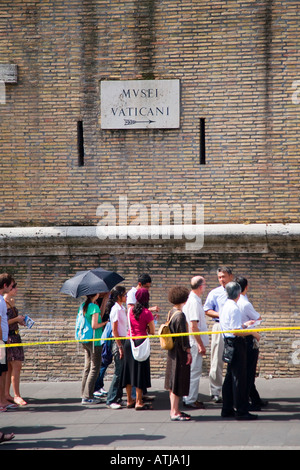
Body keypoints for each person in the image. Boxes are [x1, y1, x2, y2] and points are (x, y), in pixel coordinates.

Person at [220, 281, 260, 420]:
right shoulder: (235, 308)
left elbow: (233, 327)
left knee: (230, 376)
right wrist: (252, 332)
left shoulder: (225, 306)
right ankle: (241, 411)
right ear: (238, 293)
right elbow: (236, 331)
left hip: (228, 342)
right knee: (239, 378)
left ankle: (227, 408)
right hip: (236, 344)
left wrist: (244, 325)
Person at [236, 276, 268, 410]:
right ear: (246, 287)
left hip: (237, 339)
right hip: (248, 338)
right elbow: (258, 318)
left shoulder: (230, 303)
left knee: (242, 372)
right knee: (249, 371)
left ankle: (254, 398)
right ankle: (249, 401)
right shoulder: (245, 303)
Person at [204, 266, 234, 402]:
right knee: (217, 358)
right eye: (219, 277)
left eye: (224, 276)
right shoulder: (215, 293)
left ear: (231, 276)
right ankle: (215, 391)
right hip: (219, 326)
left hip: (234, 327)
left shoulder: (237, 291)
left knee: (236, 359)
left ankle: (234, 389)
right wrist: (221, 315)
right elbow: (207, 310)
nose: (221, 279)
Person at [122, 287, 155, 410]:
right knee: (139, 372)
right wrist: (146, 328)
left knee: (129, 372)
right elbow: (152, 331)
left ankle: (129, 400)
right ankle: (139, 401)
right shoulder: (147, 313)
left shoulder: (130, 310)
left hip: (128, 342)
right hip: (140, 342)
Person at [164, 286, 192, 421]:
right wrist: (188, 351)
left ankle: (175, 410)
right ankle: (174, 412)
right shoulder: (180, 315)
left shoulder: (171, 312)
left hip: (172, 352)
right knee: (177, 381)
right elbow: (183, 337)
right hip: (179, 353)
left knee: (172, 382)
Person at [183, 276, 208, 409]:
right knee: (194, 371)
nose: (205, 287)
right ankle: (190, 399)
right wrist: (200, 344)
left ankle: (189, 397)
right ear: (200, 286)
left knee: (192, 371)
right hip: (194, 343)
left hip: (193, 342)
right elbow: (193, 326)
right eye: (204, 284)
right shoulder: (193, 302)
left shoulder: (194, 300)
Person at [79, 292, 108, 404]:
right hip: (95, 340)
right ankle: (88, 396)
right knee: (95, 368)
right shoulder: (94, 307)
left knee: (87, 367)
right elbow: (94, 325)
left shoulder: (83, 306)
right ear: (95, 294)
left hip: (85, 339)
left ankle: (84, 394)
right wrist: (105, 322)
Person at [4, 280, 27, 406]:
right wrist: (16, 319)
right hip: (9, 338)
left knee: (11, 367)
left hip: (15, 336)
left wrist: (19, 321)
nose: (16, 289)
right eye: (14, 287)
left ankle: (8, 394)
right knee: (16, 365)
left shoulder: (11, 302)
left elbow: (11, 321)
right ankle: (16, 395)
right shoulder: (3, 302)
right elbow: (3, 323)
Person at [106, 285, 128, 409]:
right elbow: (114, 330)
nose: (126, 296)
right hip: (118, 342)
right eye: (124, 294)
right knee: (118, 372)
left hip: (123, 340)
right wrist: (119, 346)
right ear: (119, 296)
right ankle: (111, 399)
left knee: (122, 371)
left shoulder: (121, 308)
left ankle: (118, 397)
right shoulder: (115, 309)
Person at [0, 273, 17, 412]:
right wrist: (1, 341)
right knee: (2, 371)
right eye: (11, 286)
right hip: (1, 341)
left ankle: (3, 400)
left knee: (4, 371)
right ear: (5, 286)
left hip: (3, 339)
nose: (13, 288)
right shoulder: (0, 301)